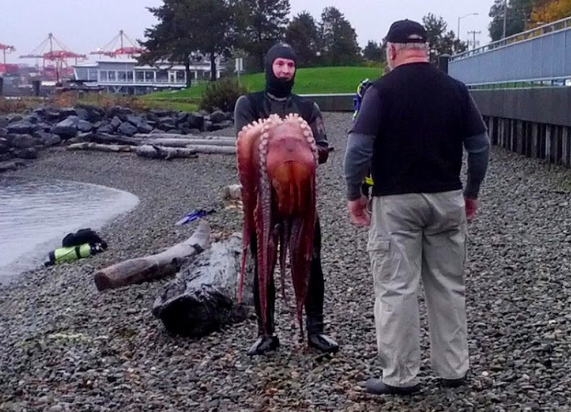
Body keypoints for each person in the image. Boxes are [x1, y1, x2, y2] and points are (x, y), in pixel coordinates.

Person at [343, 19, 490, 395]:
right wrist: (471, 192)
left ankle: (401, 377)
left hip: (396, 202)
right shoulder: (456, 89)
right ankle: (454, 369)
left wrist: (354, 194)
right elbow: (479, 146)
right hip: (446, 198)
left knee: (396, 288)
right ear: (426, 49)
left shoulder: (381, 90)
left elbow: (358, 149)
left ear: (391, 51)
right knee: (447, 285)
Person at [234, 43, 339, 356]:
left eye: (290, 66)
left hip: (300, 199)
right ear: (269, 66)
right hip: (263, 201)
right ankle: (266, 333)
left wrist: (307, 150)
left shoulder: (308, 108)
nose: (284, 71)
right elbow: (244, 143)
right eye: (279, 64)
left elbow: (321, 147)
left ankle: (315, 330)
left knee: (311, 259)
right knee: (262, 262)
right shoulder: (248, 104)